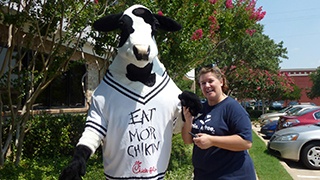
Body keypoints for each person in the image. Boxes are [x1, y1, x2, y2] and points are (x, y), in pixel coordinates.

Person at [181, 65, 256, 180]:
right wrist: (188, 120)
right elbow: (187, 140)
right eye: (203, 83)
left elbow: (246, 142)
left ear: (221, 82)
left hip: (232, 176)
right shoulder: (200, 108)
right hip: (204, 175)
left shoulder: (232, 108)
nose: (207, 86)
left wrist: (212, 140)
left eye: (211, 81)